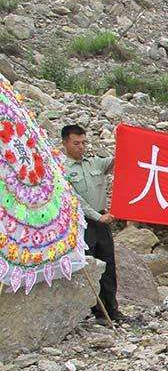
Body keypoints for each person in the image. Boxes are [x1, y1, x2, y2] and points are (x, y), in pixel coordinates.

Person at [62, 124, 121, 324]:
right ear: (65, 143)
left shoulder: (94, 162)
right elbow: (75, 198)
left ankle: (111, 311)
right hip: (81, 224)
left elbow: (118, 162)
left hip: (103, 222)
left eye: (84, 142)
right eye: (76, 143)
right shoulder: (61, 168)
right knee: (86, 266)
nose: (81, 147)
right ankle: (88, 310)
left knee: (108, 265)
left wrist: (123, 141)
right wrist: (97, 216)